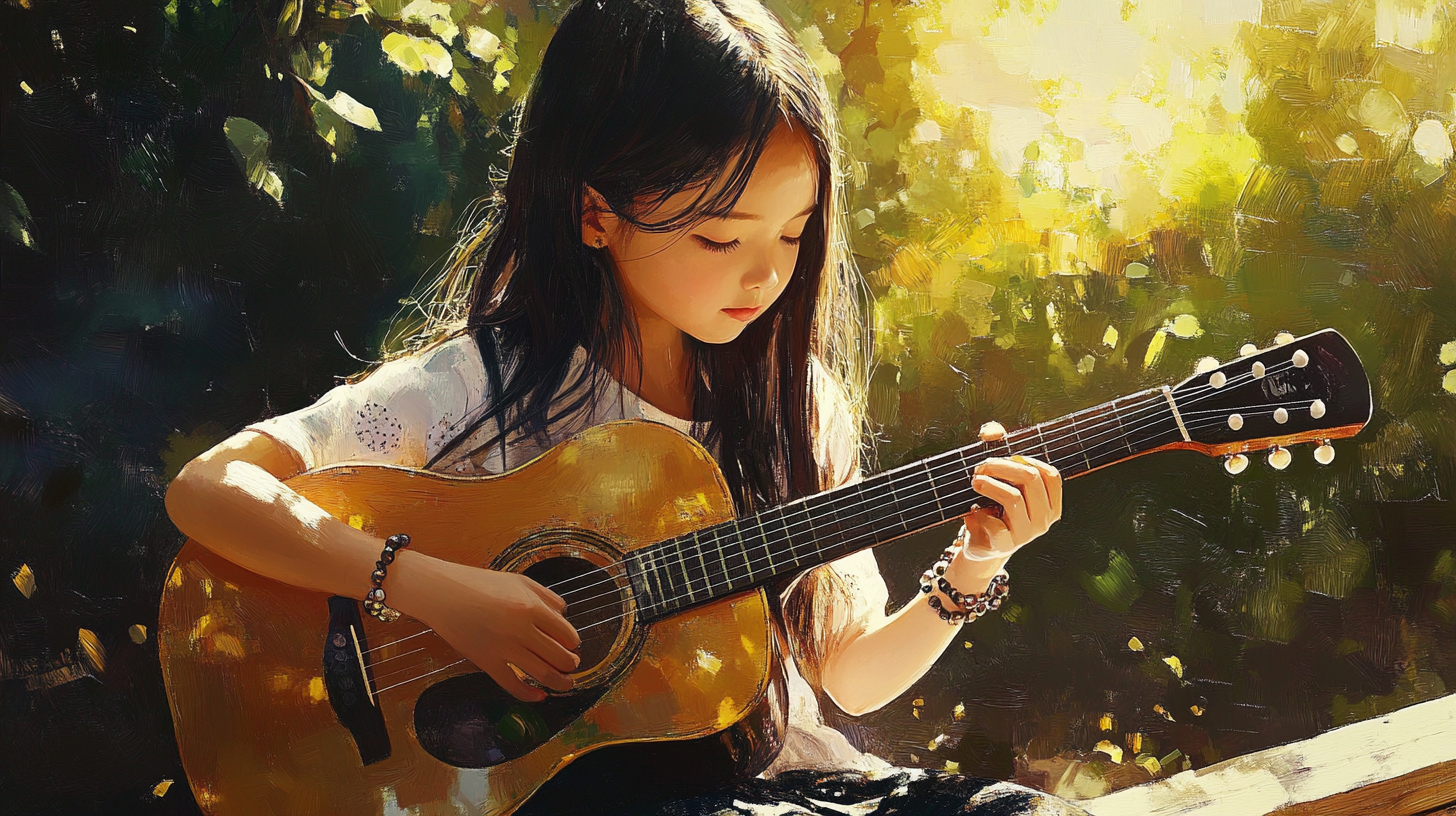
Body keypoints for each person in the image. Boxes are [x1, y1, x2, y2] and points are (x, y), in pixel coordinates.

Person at [164, 0, 1084, 813]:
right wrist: (432, 587)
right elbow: (210, 489)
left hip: (787, 786)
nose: (765, 274)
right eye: (719, 237)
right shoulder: (479, 388)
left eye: (794, 235)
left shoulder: (795, 402)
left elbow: (848, 674)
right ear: (595, 214)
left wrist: (972, 565)